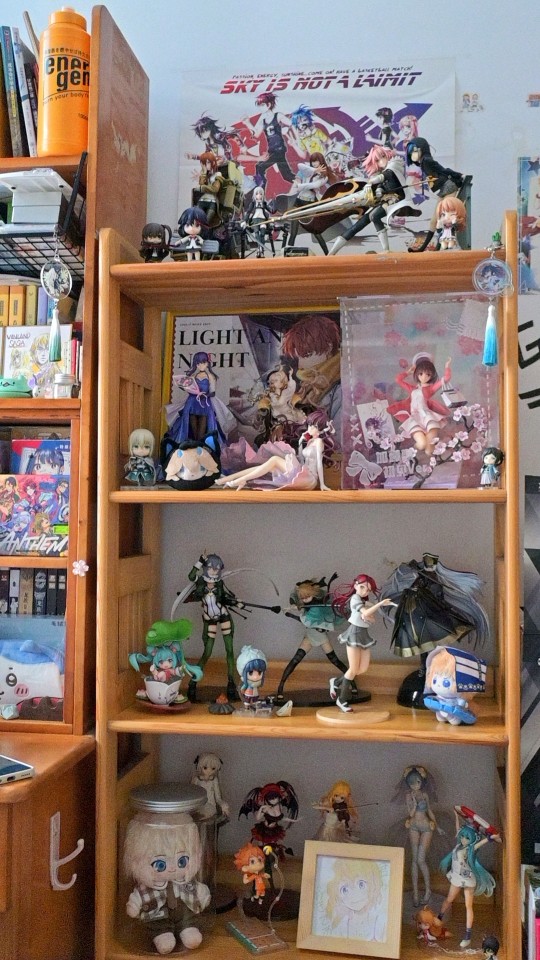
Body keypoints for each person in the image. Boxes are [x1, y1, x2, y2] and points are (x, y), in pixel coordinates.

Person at [123, 812, 211, 955]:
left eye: (181, 861)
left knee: (189, 919)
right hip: (158, 916)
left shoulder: (186, 882)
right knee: (157, 925)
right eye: (160, 865)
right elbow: (137, 897)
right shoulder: (147, 889)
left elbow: (197, 889)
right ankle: (162, 935)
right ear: (136, 862)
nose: (172, 869)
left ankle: (188, 930)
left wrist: (203, 896)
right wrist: (134, 906)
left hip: (185, 915)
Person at [214, 408, 335, 491]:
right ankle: (228, 479)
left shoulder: (319, 442)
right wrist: (300, 442)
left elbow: (319, 465)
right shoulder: (310, 441)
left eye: (313, 426)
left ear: (321, 429)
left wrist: (322, 484)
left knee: (275, 460)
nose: (309, 429)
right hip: (302, 472)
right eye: (309, 425)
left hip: (310, 478)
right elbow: (301, 460)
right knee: (267, 466)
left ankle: (241, 480)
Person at [276, 575, 349, 702]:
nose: (304, 599)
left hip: (320, 635)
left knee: (335, 660)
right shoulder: (307, 605)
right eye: (302, 598)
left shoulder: (317, 608)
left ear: (313, 594)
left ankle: (351, 683)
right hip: (310, 636)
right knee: (295, 660)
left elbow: (306, 621)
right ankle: (280, 688)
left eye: (307, 596)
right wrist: (293, 605)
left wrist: (290, 614)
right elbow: (295, 598)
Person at [329, 574, 395, 712]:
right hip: (354, 634)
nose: (365, 591)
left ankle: (336, 681)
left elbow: (371, 618)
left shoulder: (364, 601)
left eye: (368, 589)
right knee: (353, 669)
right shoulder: (355, 598)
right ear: (355, 585)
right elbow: (365, 612)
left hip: (364, 635)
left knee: (362, 669)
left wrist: (373, 614)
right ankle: (342, 700)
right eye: (362, 587)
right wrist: (379, 604)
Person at [328, 145, 406, 255]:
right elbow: (381, 184)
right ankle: (331, 253)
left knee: (374, 216)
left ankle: (386, 250)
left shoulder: (393, 168)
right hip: (384, 201)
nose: (381, 161)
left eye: (383, 156)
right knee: (358, 225)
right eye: (377, 160)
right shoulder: (383, 172)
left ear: (388, 155)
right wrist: (379, 189)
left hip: (395, 200)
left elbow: (383, 177)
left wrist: (371, 182)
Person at [438, 809, 496, 948]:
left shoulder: (469, 849)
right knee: (449, 899)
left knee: (468, 906)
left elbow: (480, 843)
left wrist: (490, 838)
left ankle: (468, 935)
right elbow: (458, 829)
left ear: (472, 839)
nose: (464, 839)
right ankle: (439, 918)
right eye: (463, 837)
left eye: (467, 838)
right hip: (457, 877)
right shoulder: (458, 845)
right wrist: (456, 815)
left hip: (468, 879)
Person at [405, 137, 466, 251]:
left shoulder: (427, 160)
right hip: (442, 190)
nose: (412, 155)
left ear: (421, 149)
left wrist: (458, 175)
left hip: (449, 187)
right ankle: (425, 248)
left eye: (414, 151)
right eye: (411, 153)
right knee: (435, 219)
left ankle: (439, 246)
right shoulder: (424, 162)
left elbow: (443, 170)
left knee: (444, 218)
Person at [388, 351, 452, 457]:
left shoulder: (431, 388)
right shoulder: (412, 389)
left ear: (431, 375)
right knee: (421, 444)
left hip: (428, 417)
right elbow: (398, 379)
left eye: (428, 374)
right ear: (417, 374)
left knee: (429, 450)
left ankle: (433, 457)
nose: (424, 377)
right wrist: (408, 372)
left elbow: (446, 378)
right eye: (421, 374)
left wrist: (447, 366)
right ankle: (412, 453)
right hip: (415, 418)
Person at [392, 765, 440, 906]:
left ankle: (428, 890)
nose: (415, 785)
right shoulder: (409, 796)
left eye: (417, 782)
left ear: (422, 782)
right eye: (412, 783)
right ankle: (415, 893)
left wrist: (437, 826)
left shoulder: (424, 795)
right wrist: (413, 803)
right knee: (414, 860)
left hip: (426, 826)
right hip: (413, 825)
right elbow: (411, 813)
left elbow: (429, 810)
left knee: (420, 860)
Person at [165, 351, 233, 444]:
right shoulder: (193, 376)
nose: (201, 365)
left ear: (207, 363)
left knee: (202, 432)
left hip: (204, 404)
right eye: (198, 363)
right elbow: (188, 388)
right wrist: (184, 387)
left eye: (203, 363)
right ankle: (194, 446)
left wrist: (204, 395)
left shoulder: (210, 376)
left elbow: (212, 393)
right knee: (193, 431)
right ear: (196, 364)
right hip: (192, 403)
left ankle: (201, 447)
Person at [324, 857, 386, 941]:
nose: (355, 895)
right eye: (345, 889)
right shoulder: (343, 924)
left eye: (361, 884)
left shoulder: (379, 921)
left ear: (373, 883)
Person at [242, 92, 294, 189]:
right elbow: (256, 134)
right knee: (287, 176)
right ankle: (306, 184)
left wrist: (288, 128)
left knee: (260, 167)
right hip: (272, 151)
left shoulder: (278, 115)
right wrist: (248, 123)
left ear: (269, 104)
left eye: (262, 105)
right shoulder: (263, 119)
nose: (260, 108)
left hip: (279, 149)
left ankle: (260, 189)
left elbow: (291, 123)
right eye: (259, 105)